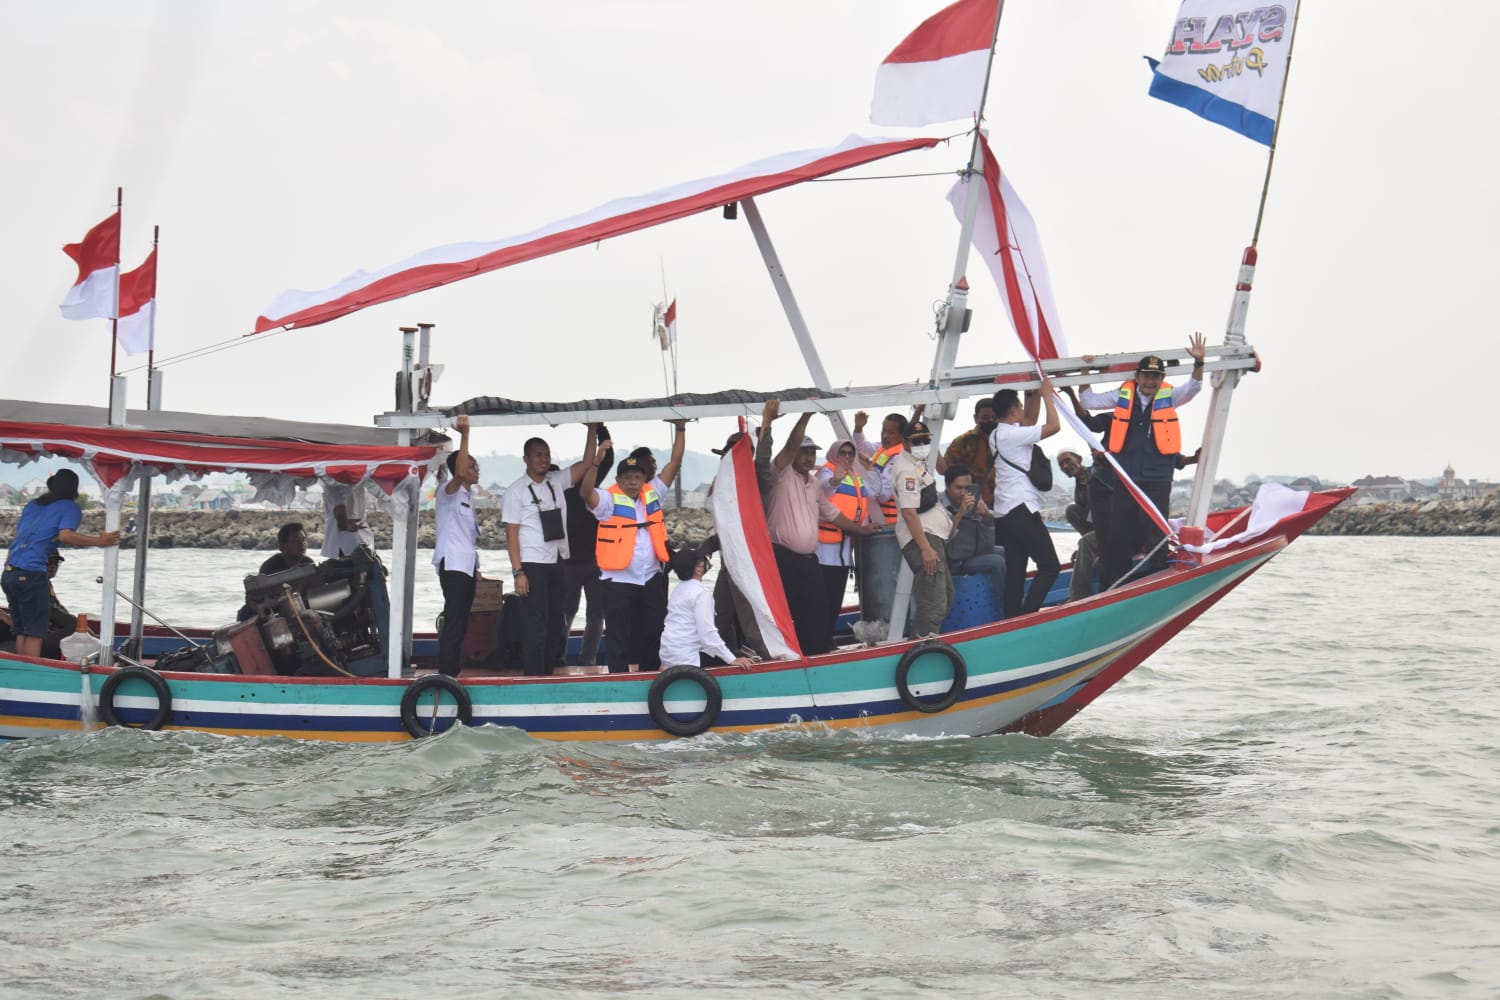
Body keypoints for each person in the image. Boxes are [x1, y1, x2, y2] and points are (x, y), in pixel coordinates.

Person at [1077, 334, 1207, 586]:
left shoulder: (1170, 396)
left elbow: (1193, 387)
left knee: (1157, 528)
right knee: (1119, 530)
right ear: (1137, 377)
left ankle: (1158, 576)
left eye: (1156, 377)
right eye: (1146, 376)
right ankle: (1114, 581)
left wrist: (1199, 363)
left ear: (1162, 379)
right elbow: (1088, 401)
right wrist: (1085, 372)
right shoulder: (1122, 396)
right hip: (1127, 478)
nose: (1150, 381)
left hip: (1158, 477)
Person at [764, 404, 875, 655]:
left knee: (818, 607)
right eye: (804, 452)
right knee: (788, 609)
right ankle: (787, 654)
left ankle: (814, 653)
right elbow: (789, 447)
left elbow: (832, 514)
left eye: (812, 453)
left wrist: (862, 531)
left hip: (807, 560)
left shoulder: (813, 483)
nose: (809, 457)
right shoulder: (780, 474)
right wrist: (807, 413)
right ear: (793, 454)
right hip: (782, 557)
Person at [503, 426, 597, 676]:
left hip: (557, 560)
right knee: (535, 624)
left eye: (546, 454)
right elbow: (511, 534)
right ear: (526, 458)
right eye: (538, 454)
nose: (544, 459)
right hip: (531, 564)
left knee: (556, 623)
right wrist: (518, 572)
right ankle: (534, 676)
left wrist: (593, 429)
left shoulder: (556, 482)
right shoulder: (516, 491)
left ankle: (547, 672)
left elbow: (587, 462)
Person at [1, 469, 119, 660]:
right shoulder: (69, 507)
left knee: (22, 629)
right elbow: (66, 535)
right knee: (35, 631)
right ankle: (32, 671)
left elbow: (18, 537)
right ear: (74, 490)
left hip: (9, 573)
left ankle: (22, 670)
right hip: (30, 573)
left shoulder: (33, 505)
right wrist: (100, 541)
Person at [580, 448, 670, 674]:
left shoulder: (651, 495)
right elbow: (585, 492)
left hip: (649, 576)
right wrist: (594, 464)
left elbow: (674, 464)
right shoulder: (608, 500)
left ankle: (650, 675)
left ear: (643, 479)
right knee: (618, 634)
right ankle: (618, 678)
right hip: (618, 578)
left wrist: (680, 428)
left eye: (637, 477)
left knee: (653, 629)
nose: (633, 482)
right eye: (628, 477)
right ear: (618, 480)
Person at [989, 378, 1061, 618]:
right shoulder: (1012, 436)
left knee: (1015, 572)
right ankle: (1028, 615)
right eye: (1020, 406)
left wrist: (1035, 395)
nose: (1022, 410)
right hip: (1021, 509)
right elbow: (1053, 426)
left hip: (1004, 513)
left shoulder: (997, 435)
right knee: (1050, 566)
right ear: (1013, 410)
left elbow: (1029, 421)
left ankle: (1011, 619)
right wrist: (1048, 394)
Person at [887, 419, 954, 637]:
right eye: (917, 441)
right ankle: (925, 642)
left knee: (945, 594)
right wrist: (925, 548)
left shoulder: (918, 462)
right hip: (923, 538)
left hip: (934, 534)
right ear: (905, 443)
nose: (922, 444)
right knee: (933, 599)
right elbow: (909, 512)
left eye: (925, 440)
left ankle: (927, 637)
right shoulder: (906, 471)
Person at [433, 415, 483, 678]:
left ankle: (452, 669)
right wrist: (465, 436)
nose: (476, 470)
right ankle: (446, 673)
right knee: (454, 621)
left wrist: (476, 569)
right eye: (473, 466)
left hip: (464, 566)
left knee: (462, 620)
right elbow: (461, 471)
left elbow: (468, 538)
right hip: (452, 565)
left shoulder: (467, 496)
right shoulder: (448, 491)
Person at [815, 438, 879, 641]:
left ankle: (826, 639)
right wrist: (836, 479)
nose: (846, 457)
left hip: (844, 552)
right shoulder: (827, 471)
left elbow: (877, 493)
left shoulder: (857, 476)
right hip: (824, 551)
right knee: (821, 600)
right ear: (834, 453)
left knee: (836, 598)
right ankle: (819, 640)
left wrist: (870, 470)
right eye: (842, 453)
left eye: (850, 454)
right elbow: (826, 486)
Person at [562, 424, 611, 666]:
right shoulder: (561, 489)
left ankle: (587, 660)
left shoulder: (589, 488)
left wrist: (599, 429)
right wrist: (597, 430)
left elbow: (607, 457)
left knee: (595, 615)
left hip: (594, 561)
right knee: (568, 613)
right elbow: (601, 458)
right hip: (571, 562)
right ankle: (561, 657)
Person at [659, 544, 754, 670]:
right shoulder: (701, 593)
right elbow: (707, 634)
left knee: (720, 651)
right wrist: (732, 659)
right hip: (687, 659)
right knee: (737, 658)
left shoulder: (677, 590)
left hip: (668, 655)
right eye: (701, 562)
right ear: (697, 570)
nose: (705, 563)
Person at [941, 464, 1006, 616]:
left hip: (974, 550)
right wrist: (960, 514)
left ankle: (1011, 597)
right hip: (953, 560)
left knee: (1006, 552)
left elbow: (988, 542)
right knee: (998, 563)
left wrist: (986, 516)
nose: (964, 493)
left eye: (967, 488)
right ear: (947, 486)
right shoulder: (939, 506)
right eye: (959, 488)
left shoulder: (974, 500)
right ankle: (1002, 606)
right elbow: (944, 539)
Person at [853, 409, 913, 524]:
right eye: (883, 431)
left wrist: (870, 470)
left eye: (891, 433)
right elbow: (861, 448)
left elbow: (883, 495)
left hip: (890, 524)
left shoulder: (900, 457)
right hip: (876, 519)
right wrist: (858, 428)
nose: (885, 436)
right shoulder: (883, 449)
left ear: (902, 435)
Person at [939, 397, 1001, 506]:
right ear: (976, 418)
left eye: (994, 418)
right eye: (985, 417)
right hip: (973, 505)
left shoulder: (1008, 440)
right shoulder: (963, 442)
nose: (990, 421)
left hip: (1004, 504)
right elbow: (945, 470)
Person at [320, 481, 375, 558]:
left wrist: (345, 525)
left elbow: (339, 511)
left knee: (344, 568)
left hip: (343, 544)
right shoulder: (358, 482)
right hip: (363, 538)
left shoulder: (332, 483)